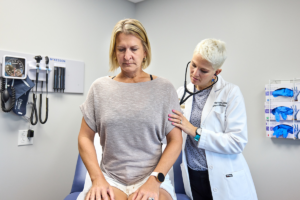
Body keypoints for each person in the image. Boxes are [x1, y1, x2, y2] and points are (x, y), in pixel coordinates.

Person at [78, 19, 182, 200]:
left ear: (145, 52)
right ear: (114, 52)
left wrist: (155, 181)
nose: (127, 56)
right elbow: (85, 137)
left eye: (134, 49)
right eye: (121, 49)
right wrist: (97, 179)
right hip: (110, 178)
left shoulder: (164, 89)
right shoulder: (99, 88)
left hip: (152, 177)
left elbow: (175, 141)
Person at [168, 39, 258, 200]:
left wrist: (194, 131)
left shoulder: (230, 93)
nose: (195, 73)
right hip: (192, 174)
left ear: (217, 72)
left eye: (203, 70)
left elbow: (237, 141)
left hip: (223, 176)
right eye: (193, 65)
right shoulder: (181, 92)